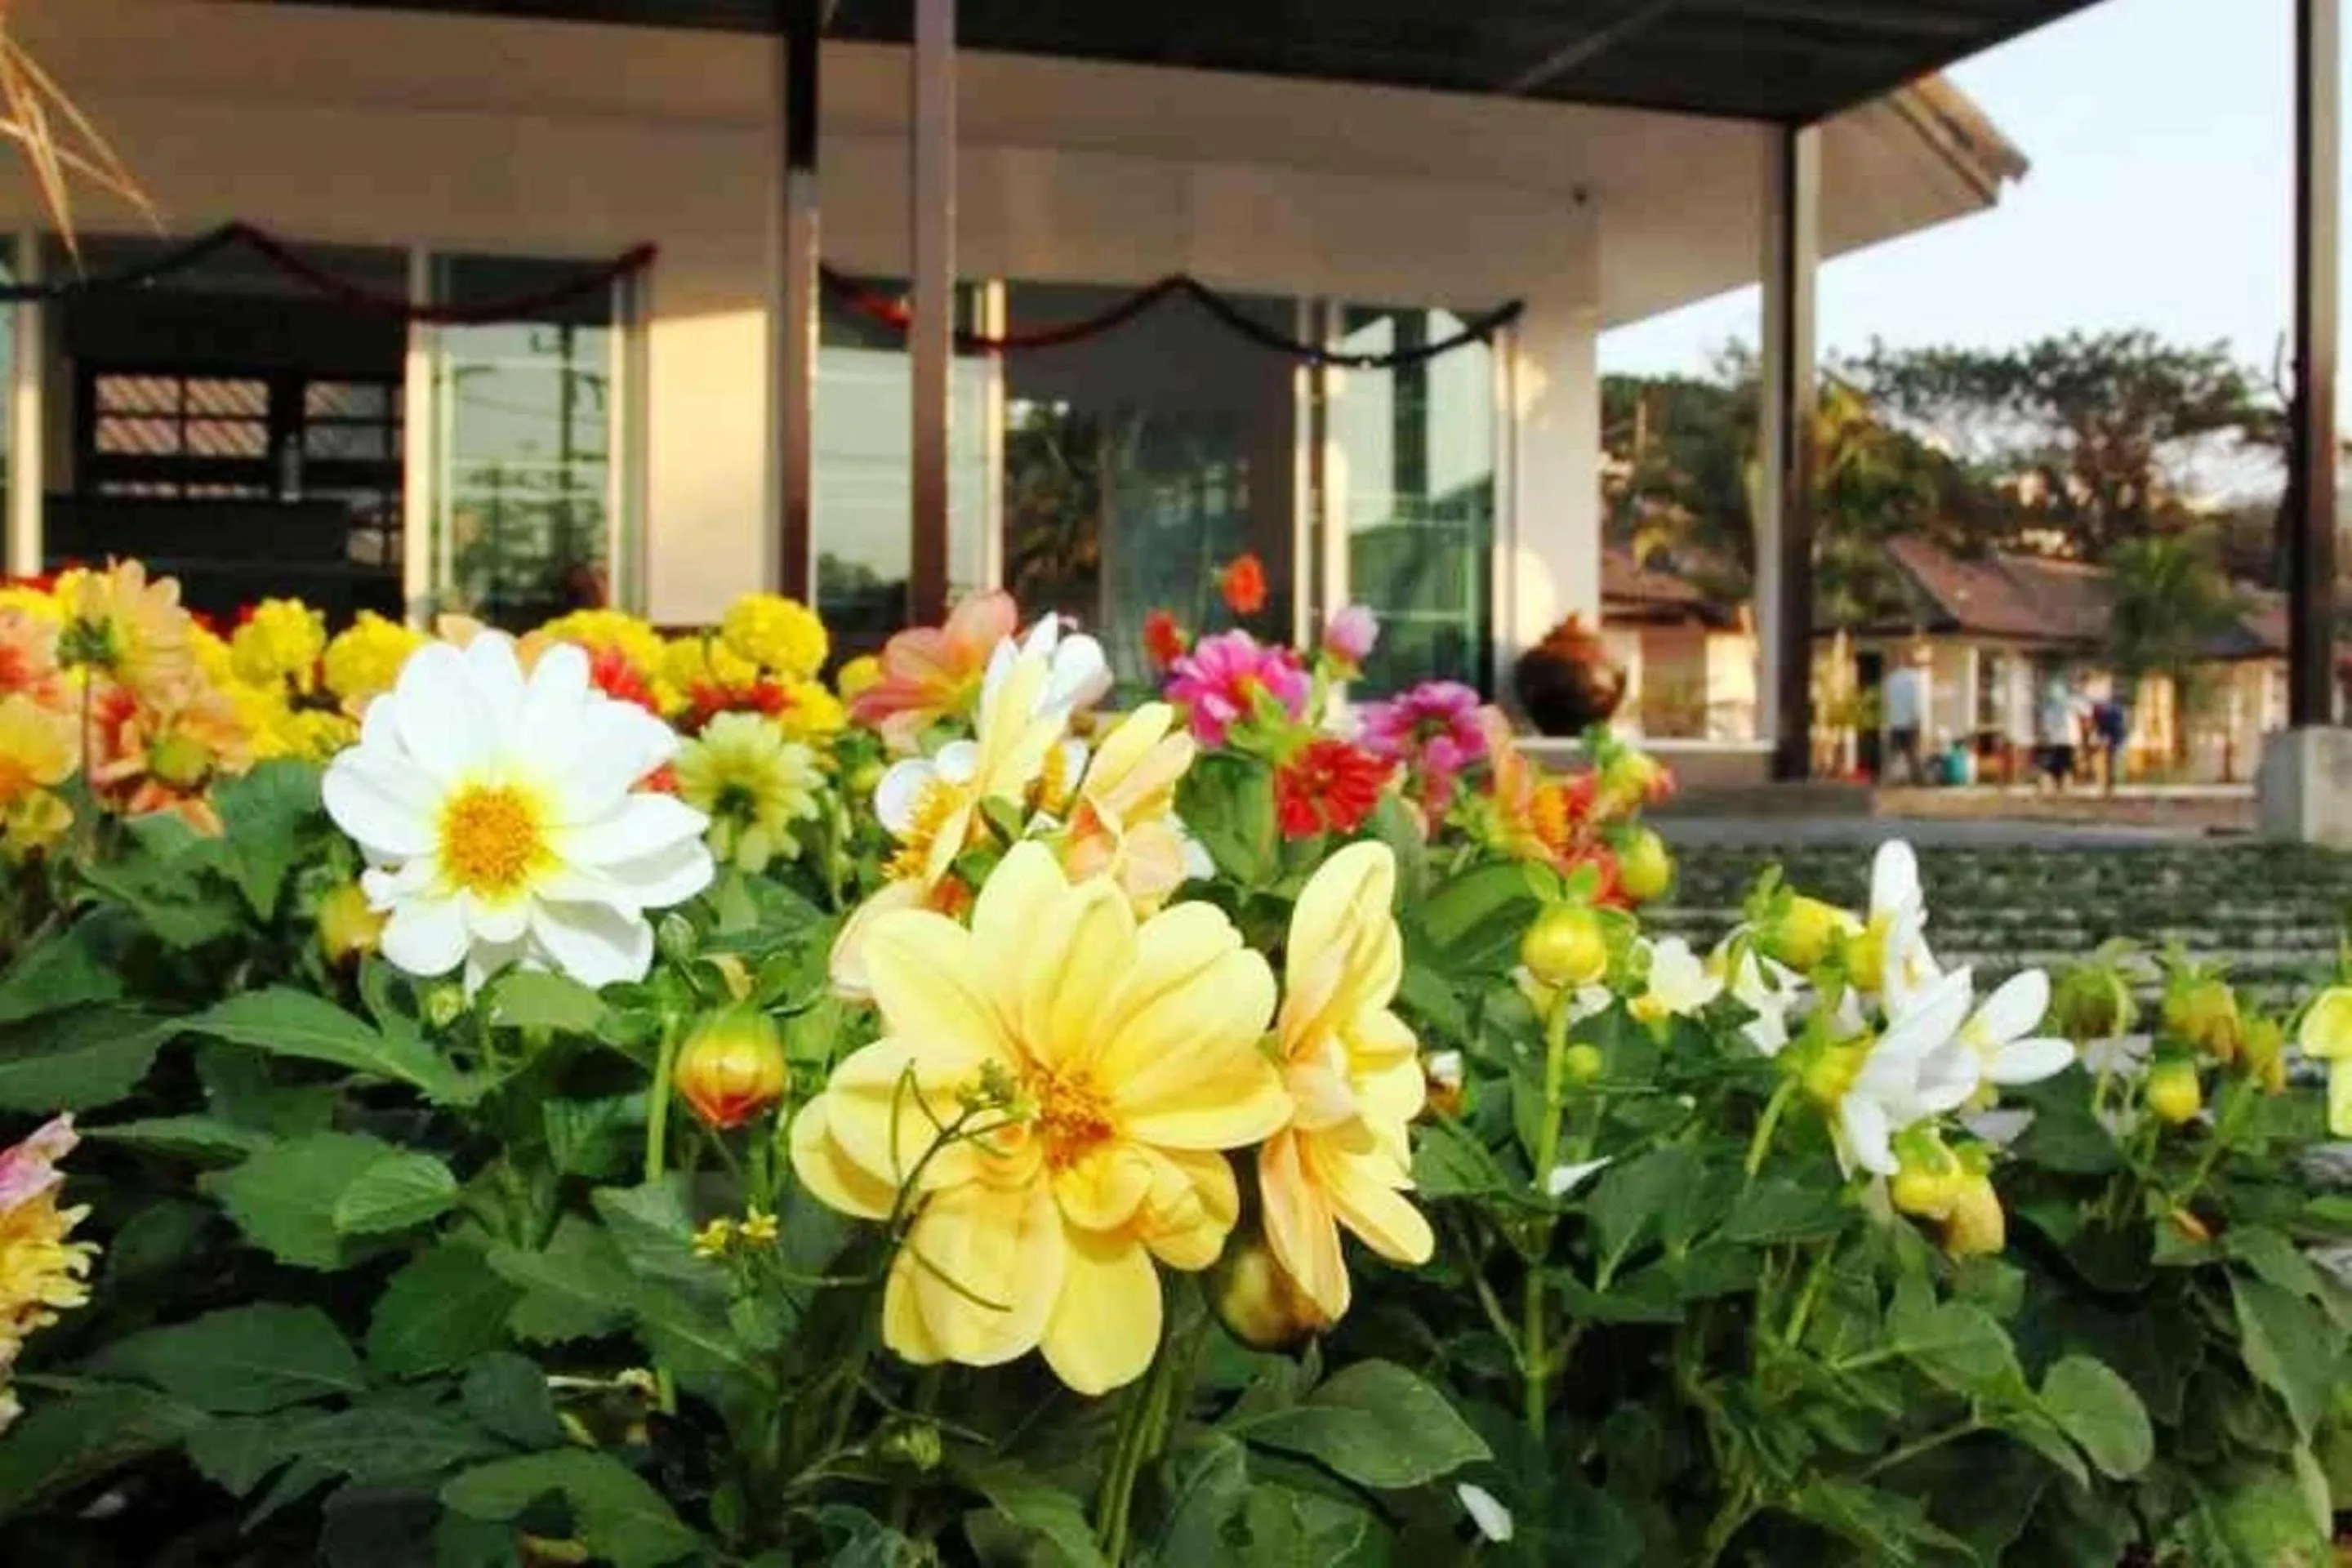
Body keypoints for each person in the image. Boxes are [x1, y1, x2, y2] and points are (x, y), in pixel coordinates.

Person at [1882, 648, 1927, 785]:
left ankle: (1889, 779)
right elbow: (1915, 700)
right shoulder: (1913, 678)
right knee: (1913, 753)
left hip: (1895, 722)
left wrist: (1887, 720)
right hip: (1909, 721)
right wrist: (1917, 717)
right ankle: (1917, 780)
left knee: (1894, 753)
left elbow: (1886, 702)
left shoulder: (1889, 680)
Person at [2038, 670, 2077, 791]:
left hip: (2058, 741)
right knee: (2062, 767)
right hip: (2062, 741)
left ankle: (2055, 788)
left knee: (2055, 767)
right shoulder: (2065, 707)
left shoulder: (2053, 708)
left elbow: (2046, 726)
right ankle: (2061, 788)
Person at [2091, 685, 2128, 793]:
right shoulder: (2115, 707)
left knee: (2109, 761)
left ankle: (2108, 784)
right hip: (2110, 734)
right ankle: (2107, 784)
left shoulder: (2112, 707)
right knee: (2108, 761)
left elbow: (2117, 724)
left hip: (2111, 734)